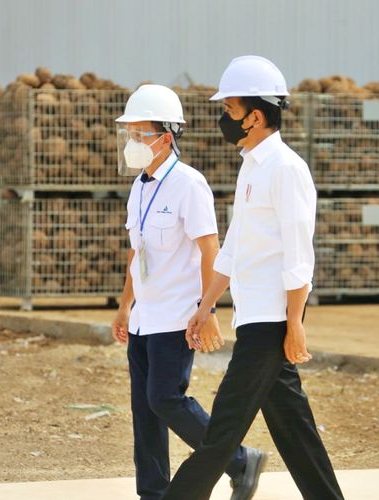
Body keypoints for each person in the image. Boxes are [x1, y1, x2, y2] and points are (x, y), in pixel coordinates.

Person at [164, 56, 344, 500]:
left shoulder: (285, 168)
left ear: (256, 116)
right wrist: (204, 307)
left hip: (271, 323)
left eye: (229, 109)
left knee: (221, 431)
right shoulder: (252, 166)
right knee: (296, 433)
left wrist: (295, 322)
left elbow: (300, 254)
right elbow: (233, 248)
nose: (224, 118)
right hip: (255, 319)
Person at [111, 84, 264, 500]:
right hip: (145, 317)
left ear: (165, 136)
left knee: (164, 399)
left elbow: (209, 250)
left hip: (177, 316)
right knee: (144, 411)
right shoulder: (140, 187)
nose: (132, 143)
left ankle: (238, 460)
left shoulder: (189, 184)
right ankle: (154, 494)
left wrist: (207, 309)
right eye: (129, 134)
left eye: (139, 134)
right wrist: (125, 306)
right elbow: (136, 252)